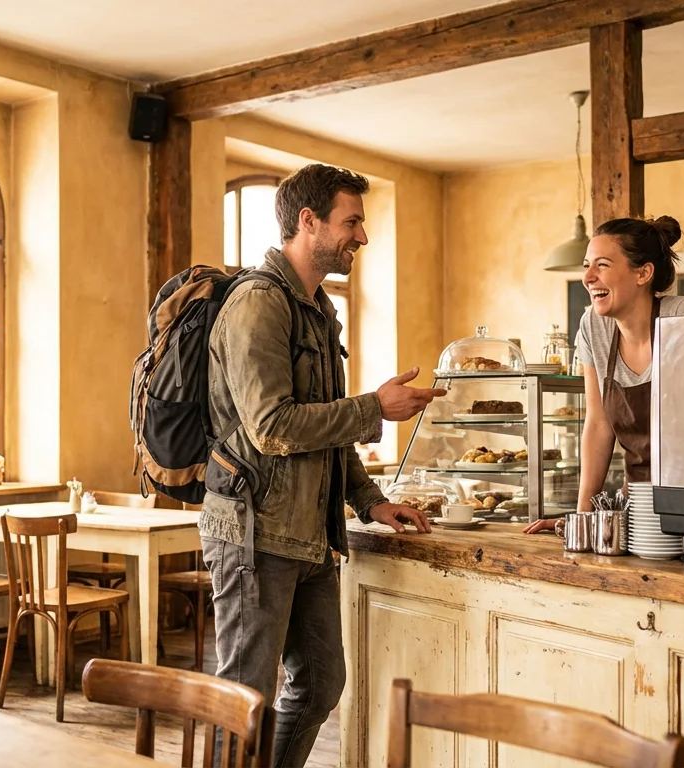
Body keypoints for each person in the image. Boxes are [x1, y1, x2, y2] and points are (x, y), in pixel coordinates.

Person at [202, 163, 446, 766]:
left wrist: (369, 500)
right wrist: (374, 408)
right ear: (308, 222)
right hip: (253, 534)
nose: (361, 236)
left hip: (309, 535)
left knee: (318, 686)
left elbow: (322, 428)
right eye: (352, 221)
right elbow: (272, 426)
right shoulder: (260, 302)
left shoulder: (318, 309)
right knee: (244, 701)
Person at [525, 216, 684, 532]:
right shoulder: (594, 326)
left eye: (602, 265)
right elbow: (598, 423)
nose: (588, 277)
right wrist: (582, 519)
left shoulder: (683, 318)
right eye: (587, 265)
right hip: (638, 509)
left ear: (643, 273)